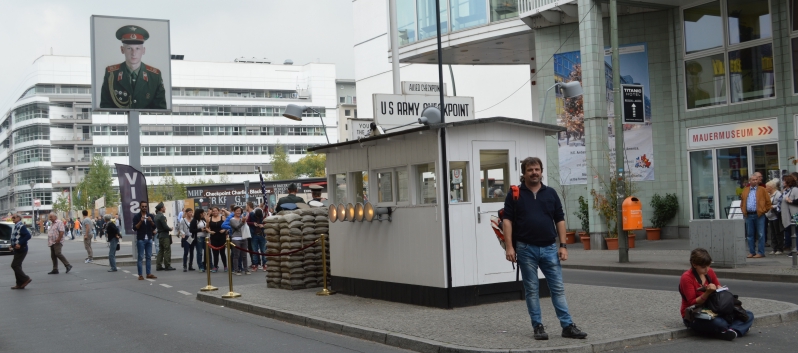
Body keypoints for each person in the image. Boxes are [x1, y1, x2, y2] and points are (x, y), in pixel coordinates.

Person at [502, 157, 587, 341]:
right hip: (525, 249)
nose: (534, 172)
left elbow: (560, 219)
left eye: (537, 169)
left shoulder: (551, 193)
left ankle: (567, 326)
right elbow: (507, 220)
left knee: (557, 289)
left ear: (541, 172)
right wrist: (509, 246)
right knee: (532, 290)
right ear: (524, 173)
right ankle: (538, 326)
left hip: (549, 248)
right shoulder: (515, 194)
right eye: (530, 170)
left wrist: (563, 246)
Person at [679, 248, 754, 340]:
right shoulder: (687, 278)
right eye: (703, 267)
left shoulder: (709, 272)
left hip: (714, 309)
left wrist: (719, 289)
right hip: (695, 314)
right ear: (694, 265)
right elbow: (692, 303)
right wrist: (707, 293)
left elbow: (719, 287)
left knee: (748, 314)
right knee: (719, 323)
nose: (707, 269)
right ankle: (737, 328)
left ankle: (731, 331)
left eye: (708, 265)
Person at [100, 25, 166, 109]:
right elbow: (105, 107)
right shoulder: (111, 74)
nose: (133, 53)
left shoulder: (155, 76)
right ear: (122, 50)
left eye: (137, 48)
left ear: (143, 50)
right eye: (129, 48)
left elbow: (160, 110)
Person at [741, 172, 771, 258]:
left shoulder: (762, 190)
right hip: (749, 215)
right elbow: (742, 201)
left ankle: (761, 252)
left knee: (761, 234)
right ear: (749, 181)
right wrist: (743, 210)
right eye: (753, 180)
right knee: (750, 235)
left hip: (759, 215)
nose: (755, 181)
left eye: (756, 180)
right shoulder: (746, 190)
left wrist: (763, 210)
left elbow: (768, 203)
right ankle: (752, 252)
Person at [132, 201, 157, 280]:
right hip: (141, 239)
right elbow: (135, 228)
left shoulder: (150, 216)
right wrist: (141, 221)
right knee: (140, 257)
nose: (144, 208)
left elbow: (154, 227)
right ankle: (140, 275)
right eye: (142, 206)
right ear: (140, 207)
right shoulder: (136, 216)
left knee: (149, 257)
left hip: (149, 239)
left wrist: (151, 221)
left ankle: (148, 273)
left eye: (145, 206)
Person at [10, 214, 32, 289]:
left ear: (19, 218)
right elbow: (16, 237)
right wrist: (12, 245)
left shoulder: (21, 226)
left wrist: (20, 243)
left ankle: (25, 279)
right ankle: (19, 283)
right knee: (17, 265)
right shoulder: (16, 226)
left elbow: (28, 235)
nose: (12, 219)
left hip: (22, 248)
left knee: (14, 265)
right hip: (17, 249)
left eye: (14, 217)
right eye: (12, 217)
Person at [228, 206, 250, 275]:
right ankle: (236, 270)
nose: (238, 212)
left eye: (239, 211)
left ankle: (246, 269)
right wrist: (243, 221)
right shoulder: (232, 220)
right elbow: (237, 227)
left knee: (244, 255)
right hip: (236, 238)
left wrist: (244, 221)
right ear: (234, 212)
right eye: (237, 211)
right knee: (236, 255)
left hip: (244, 237)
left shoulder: (242, 218)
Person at [153, 202, 175, 271]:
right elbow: (165, 227)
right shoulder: (162, 216)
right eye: (164, 207)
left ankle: (158, 265)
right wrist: (170, 229)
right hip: (165, 235)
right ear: (161, 208)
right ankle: (167, 265)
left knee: (161, 251)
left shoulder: (156, 216)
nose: (165, 208)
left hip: (160, 235)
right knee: (167, 250)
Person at [765, 179, 784, 255]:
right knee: (773, 233)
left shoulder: (778, 194)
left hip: (775, 216)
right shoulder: (769, 194)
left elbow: (780, 204)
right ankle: (774, 248)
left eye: (767, 187)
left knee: (778, 232)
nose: (766, 188)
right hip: (770, 215)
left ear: (771, 187)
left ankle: (780, 248)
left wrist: (773, 206)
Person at [781, 174, 798, 255]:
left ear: (789, 182)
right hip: (786, 214)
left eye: (785, 180)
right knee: (791, 232)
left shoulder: (794, 190)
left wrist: (791, 201)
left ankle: (796, 250)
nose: (783, 182)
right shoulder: (785, 190)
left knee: (795, 232)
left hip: (794, 215)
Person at [208, 207, 228, 273]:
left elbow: (227, 225)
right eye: (213, 211)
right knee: (215, 253)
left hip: (222, 237)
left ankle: (225, 266)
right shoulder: (209, 219)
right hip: (214, 237)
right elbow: (206, 227)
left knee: (222, 253)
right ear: (212, 212)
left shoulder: (223, 217)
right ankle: (215, 266)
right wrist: (210, 231)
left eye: (216, 211)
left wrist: (224, 230)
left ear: (218, 211)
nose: (214, 212)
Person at [247, 207, 267, 271]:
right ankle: (255, 265)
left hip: (262, 235)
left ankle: (265, 264)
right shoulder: (251, 214)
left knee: (263, 251)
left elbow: (268, 223)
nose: (258, 218)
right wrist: (253, 223)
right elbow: (247, 222)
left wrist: (263, 225)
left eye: (259, 217)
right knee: (254, 251)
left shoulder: (264, 215)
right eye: (256, 216)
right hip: (254, 235)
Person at [178, 208, 195, 272]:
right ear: (187, 213)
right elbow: (181, 229)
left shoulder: (193, 220)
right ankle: (184, 265)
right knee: (186, 251)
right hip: (186, 236)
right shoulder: (183, 220)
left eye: (191, 212)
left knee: (192, 251)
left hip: (191, 237)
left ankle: (190, 265)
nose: (191, 213)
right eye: (190, 212)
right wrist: (183, 233)